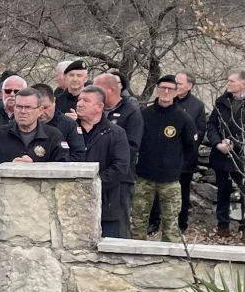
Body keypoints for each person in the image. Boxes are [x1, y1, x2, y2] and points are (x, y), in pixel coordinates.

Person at [132, 75, 198, 238]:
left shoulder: (183, 119)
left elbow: (190, 147)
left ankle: (171, 253)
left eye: (170, 89)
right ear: (156, 90)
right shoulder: (144, 115)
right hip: (144, 177)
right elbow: (134, 141)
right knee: (138, 221)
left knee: (171, 223)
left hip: (170, 180)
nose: (166, 92)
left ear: (176, 92)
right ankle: (136, 250)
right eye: (163, 88)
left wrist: (175, 165)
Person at [205, 69, 245, 236]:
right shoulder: (222, 101)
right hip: (221, 154)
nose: (228, 84)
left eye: (231, 81)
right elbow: (211, 124)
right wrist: (218, 143)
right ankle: (222, 227)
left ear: (243, 84)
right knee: (222, 191)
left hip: (242, 157)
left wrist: (235, 142)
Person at [69, 85, 133, 238]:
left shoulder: (116, 133)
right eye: (79, 100)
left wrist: (92, 185)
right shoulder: (68, 130)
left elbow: (120, 167)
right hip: (71, 204)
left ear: (99, 107)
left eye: (86, 101)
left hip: (106, 206)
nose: (80, 104)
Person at [0, 84, 68, 165]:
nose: (22, 111)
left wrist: (34, 168)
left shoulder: (53, 136)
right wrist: (8, 168)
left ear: (40, 110)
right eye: (19, 107)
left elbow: (62, 168)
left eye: (28, 107)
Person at [170, 72, 206, 235]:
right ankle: (155, 222)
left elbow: (200, 131)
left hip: (185, 158)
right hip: (164, 156)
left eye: (179, 83)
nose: (176, 86)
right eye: (175, 82)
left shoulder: (197, 106)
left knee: (183, 192)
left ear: (189, 85)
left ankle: (181, 223)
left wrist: (186, 144)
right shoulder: (167, 100)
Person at [93, 70, 145, 150]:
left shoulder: (131, 112)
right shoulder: (93, 108)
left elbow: (132, 146)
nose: (94, 93)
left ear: (112, 89)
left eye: (99, 90)